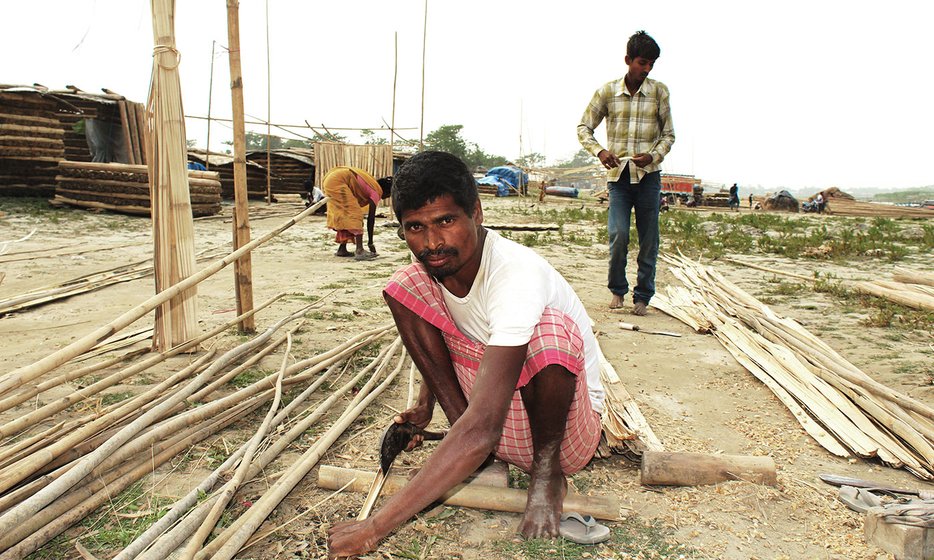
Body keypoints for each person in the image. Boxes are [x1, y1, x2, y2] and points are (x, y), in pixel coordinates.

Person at [327, 151, 606, 557]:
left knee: (550, 333)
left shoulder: (515, 273)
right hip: (496, 419)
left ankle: (546, 478)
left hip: (562, 436)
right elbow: (456, 331)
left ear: (476, 212)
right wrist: (426, 405)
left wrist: (375, 527)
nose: (432, 241)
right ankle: (474, 459)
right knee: (406, 286)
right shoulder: (437, 259)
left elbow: (483, 427)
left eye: (446, 221)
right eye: (415, 227)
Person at [577, 30, 675, 316]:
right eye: (642, 62)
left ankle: (643, 296)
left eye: (651, 65)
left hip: (649, 177)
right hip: (618, 177)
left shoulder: (659, 91)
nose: (646, 69)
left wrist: (653, 156)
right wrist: (600, 151)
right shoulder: (607, 92)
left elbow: (668, 135)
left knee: (649, 239)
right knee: (618, 233)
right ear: (628, 60)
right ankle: (617, 290)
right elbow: (584, 127)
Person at [321, 166, 392, 260]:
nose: (388, 197)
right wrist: (370, 243)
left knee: (345, 215)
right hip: (337, 180)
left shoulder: (372, 185)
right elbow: (371, 219)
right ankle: (359, 250)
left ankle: (342, 249)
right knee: (355, 214)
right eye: (389, 194)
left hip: (332, 178)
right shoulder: (376, 191)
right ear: (386, 190)